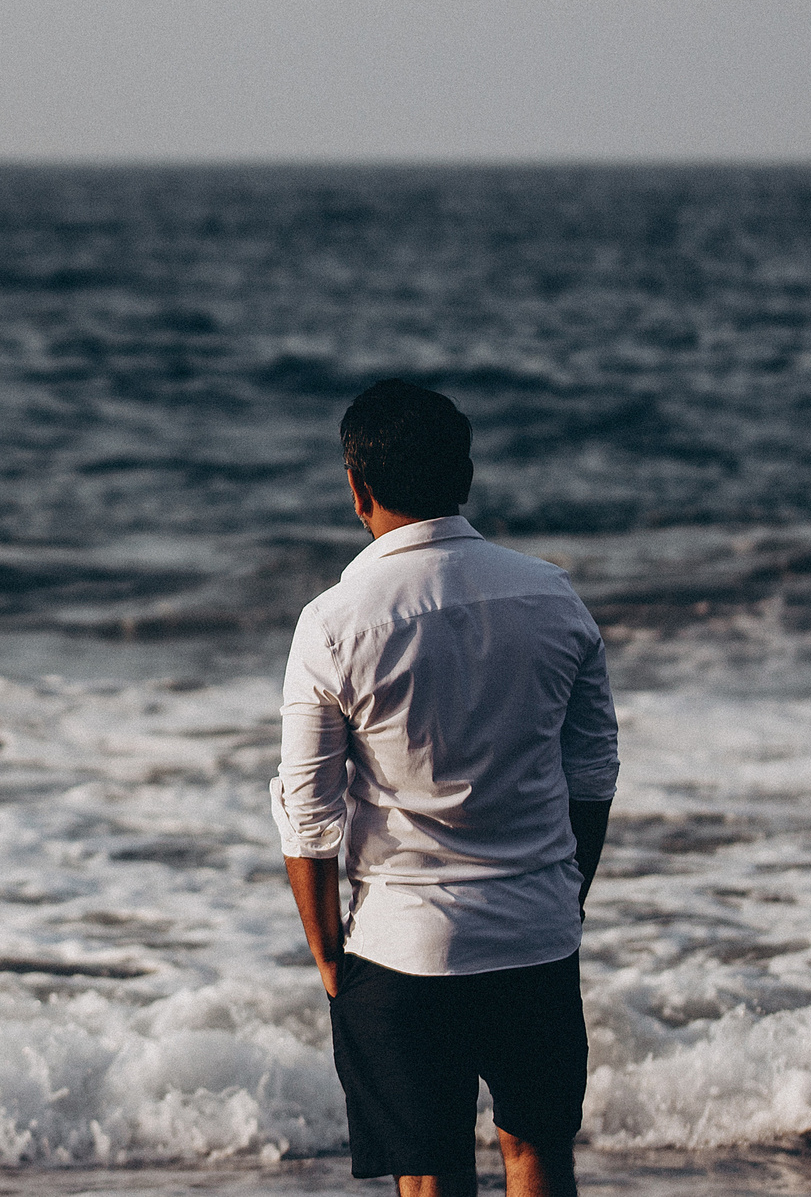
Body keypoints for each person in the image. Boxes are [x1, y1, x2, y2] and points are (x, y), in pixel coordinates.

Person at [273, 379, 618, 1197]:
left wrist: (329, 954)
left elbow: (309, 811)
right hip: (535, 929)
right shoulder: (552, 595)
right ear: (464, 476)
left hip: (403, 946)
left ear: (358, 489)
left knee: (429, 1174)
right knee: (536, 1152)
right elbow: (593, 771)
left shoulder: (333, 621)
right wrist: (564, 894)